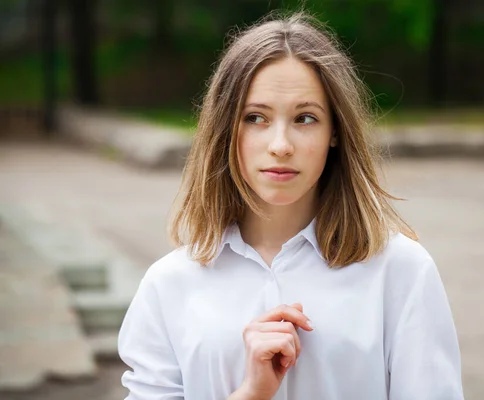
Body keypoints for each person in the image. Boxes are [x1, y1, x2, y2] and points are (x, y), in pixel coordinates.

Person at [117, 11, 464, 400]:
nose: (280, 145)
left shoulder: (401, 273)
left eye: (305, 118)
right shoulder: (169, 285)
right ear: (224, 128)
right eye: (255, 118)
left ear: (335, 131)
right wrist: (250, 394)